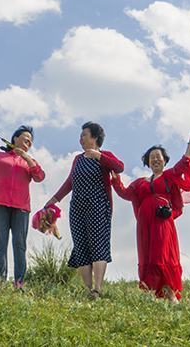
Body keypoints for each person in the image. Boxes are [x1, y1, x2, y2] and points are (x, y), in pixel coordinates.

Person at [111, 128, 190, 302]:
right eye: (152, 158)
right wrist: (115, 179)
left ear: (165, 160)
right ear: (148, 163)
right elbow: (125, 194)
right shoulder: (139, 183)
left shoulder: (169, 177)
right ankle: (152, 297)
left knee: (161, 257)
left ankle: (171, 296)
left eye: (158, 157)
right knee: (147, 257)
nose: (155, 160)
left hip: (162, 223)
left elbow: (185, 164)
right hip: (144, 226)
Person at [45, 122, 124, 298]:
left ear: (95, 138)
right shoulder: (78, 159)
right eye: (80, 136)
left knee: (98, 245)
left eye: (84, 135)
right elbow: (69, 182)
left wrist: (98, 156)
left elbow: (119, 167)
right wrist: (53, 200)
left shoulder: (104, 156)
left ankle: (97, 288)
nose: (80, 139)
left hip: (98, 205)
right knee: (81, 247)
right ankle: (88, 291)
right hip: (77, 207)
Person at [0, 124, 45, 289]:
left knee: (19, 244)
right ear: (15, 139)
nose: (28, 143)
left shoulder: (30, 162)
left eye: (30, 142)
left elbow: (40, 177)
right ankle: (1, 282)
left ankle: (19, 283)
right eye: (25, 139)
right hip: (0, 204)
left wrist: (27, 158)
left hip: (21, 208)